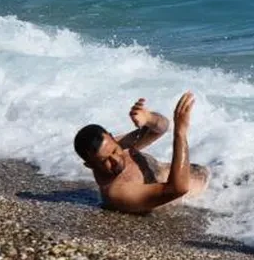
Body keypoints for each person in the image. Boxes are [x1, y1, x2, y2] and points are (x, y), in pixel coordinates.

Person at [73, 91, 210, 214]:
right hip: (205, 198)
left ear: (112, 138)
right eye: (105, 161)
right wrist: (180, 132)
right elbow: (178, 189)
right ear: (89, 165)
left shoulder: (113, 145)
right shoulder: (118, 192)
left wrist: (149, 119)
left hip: (212, 177)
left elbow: (162, 127)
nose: (116, 159)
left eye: (115, 150)